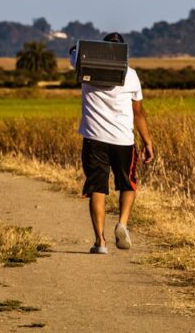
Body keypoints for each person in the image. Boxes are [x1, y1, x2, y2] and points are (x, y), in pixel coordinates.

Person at [72, 32, 155, 253]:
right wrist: (147, 142)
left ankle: (100, 242)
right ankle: (122, 223)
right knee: (128, 184)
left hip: (94, 139)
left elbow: (73, 50)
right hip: (123, 140)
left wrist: (86, 48)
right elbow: (138, 113)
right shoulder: (131, 75)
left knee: (97, 188)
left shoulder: (87, 65)